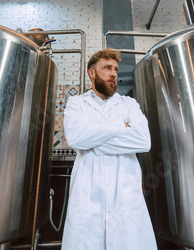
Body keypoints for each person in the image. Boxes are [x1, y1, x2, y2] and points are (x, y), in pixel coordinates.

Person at [61, 49, 157, 250]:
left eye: (115, 69)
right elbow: (76, 138)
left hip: (125, 194)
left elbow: (143, 141)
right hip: (88, 194)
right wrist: (121, 127)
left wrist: (94, 140)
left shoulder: (129, 104)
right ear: (92, 73)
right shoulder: (77, 103)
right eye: (106, 68)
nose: (113, 73)